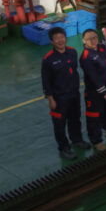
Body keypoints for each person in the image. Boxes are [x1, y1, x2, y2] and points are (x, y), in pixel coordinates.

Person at [41, 27, 88, 159]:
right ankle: (63, 148)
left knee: (75, 119)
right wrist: (51, 99)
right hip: (59, 97)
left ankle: (77, 140)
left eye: (62, 37)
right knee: (59, 124)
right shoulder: (48, 59)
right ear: (52, 41)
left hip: (74, 94)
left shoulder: (72, 52)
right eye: (56, 39)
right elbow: (46, 81)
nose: (60, 41)